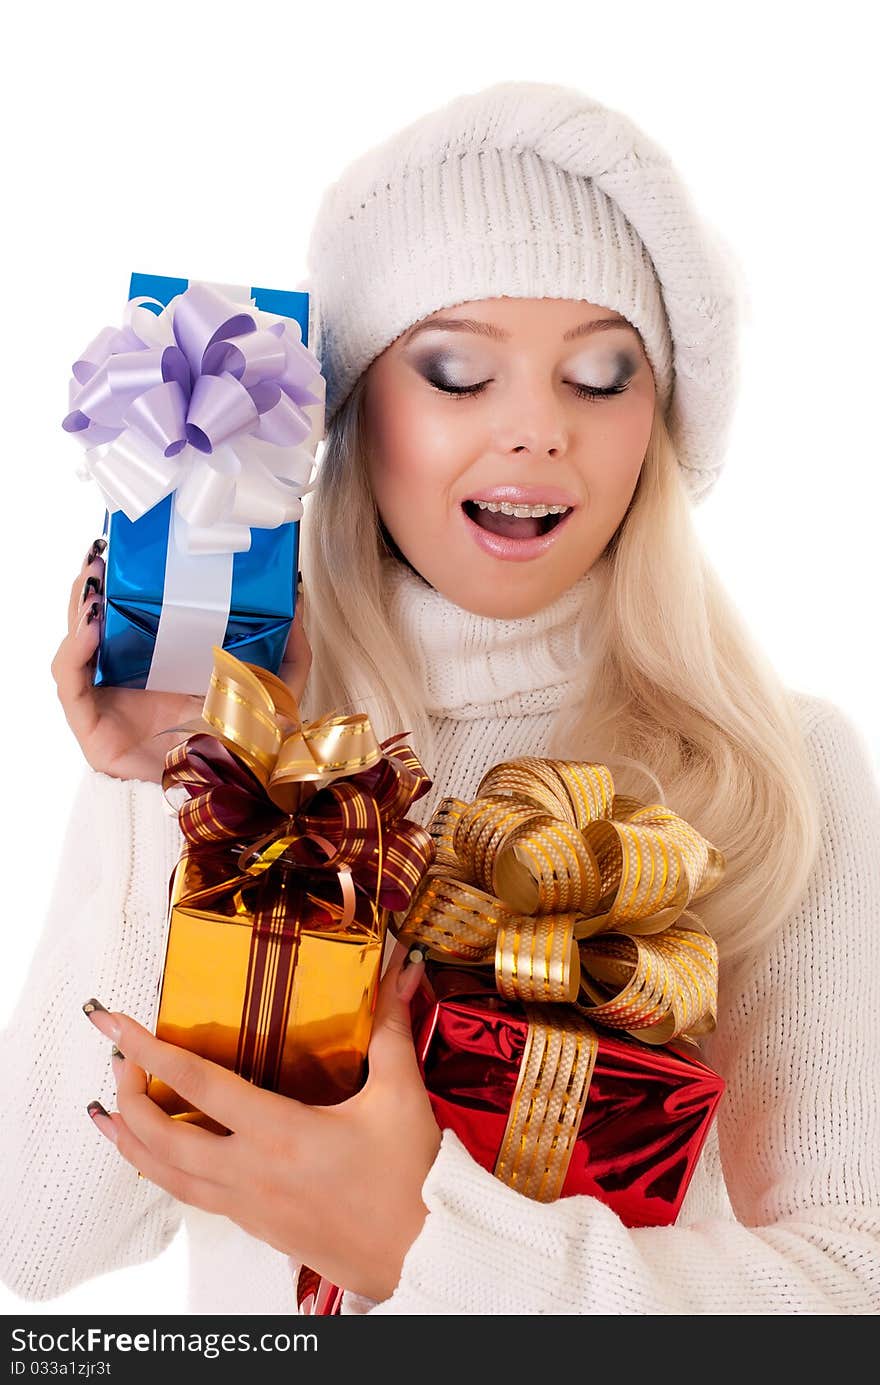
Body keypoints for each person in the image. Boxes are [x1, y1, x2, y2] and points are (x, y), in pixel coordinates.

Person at [3, 79, 879, 1316]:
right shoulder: (260, 750)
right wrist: (190, 786)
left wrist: (422, 1246)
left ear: (660, 427)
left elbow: (855, 1290)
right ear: (357, 419)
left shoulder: (769, 765)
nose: (534, 431)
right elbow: (35, 1237)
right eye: (458, 373)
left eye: (599, 376)